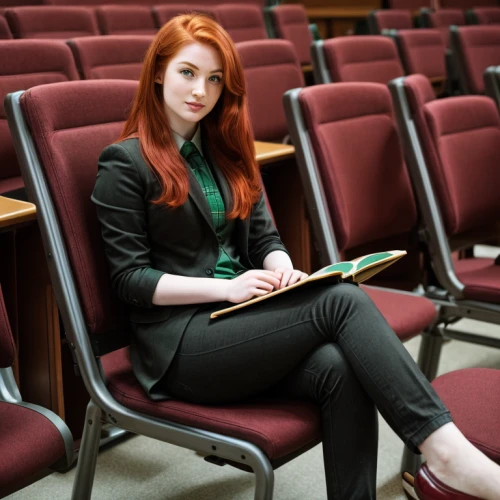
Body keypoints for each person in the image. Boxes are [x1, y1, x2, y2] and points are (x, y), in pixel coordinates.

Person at [91, 13, 500, 500]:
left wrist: (283, 271)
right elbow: (130, 279)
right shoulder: (125, 161)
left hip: (237, 319)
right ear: (158, 72)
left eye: (214, 79)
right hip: (181, 346)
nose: (200, 89)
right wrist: (227, 287)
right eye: (187, 72)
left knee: (340, 365)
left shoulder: (228, 152)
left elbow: (266, 241)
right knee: (342, 301)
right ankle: (448, 455)